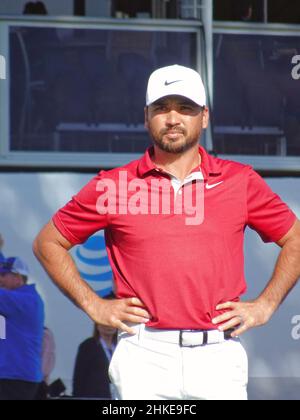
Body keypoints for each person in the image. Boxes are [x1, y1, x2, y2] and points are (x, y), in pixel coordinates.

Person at [33, 64, 300, 400]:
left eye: (185, 108)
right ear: (146, 117)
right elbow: (48, 243)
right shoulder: (114, 185)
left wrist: (266, 305)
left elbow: (295, 239)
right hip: (143, 355)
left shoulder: (240, 181)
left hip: (217, 355)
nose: (173, 118)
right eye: (161, 108)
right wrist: (96, 306)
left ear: (204, 117)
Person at [0, 257, 45, 400]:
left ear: (18, 276)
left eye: (3, 275)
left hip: (15, 376)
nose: (0, 279)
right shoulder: (23, 299)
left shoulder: (25, 300)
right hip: (15, 375)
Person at [73, 292, 118, 399]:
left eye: (112, 321)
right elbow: (78, 382)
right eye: (105, 320)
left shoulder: (123, 347)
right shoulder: (87, 347)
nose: (109, 325)